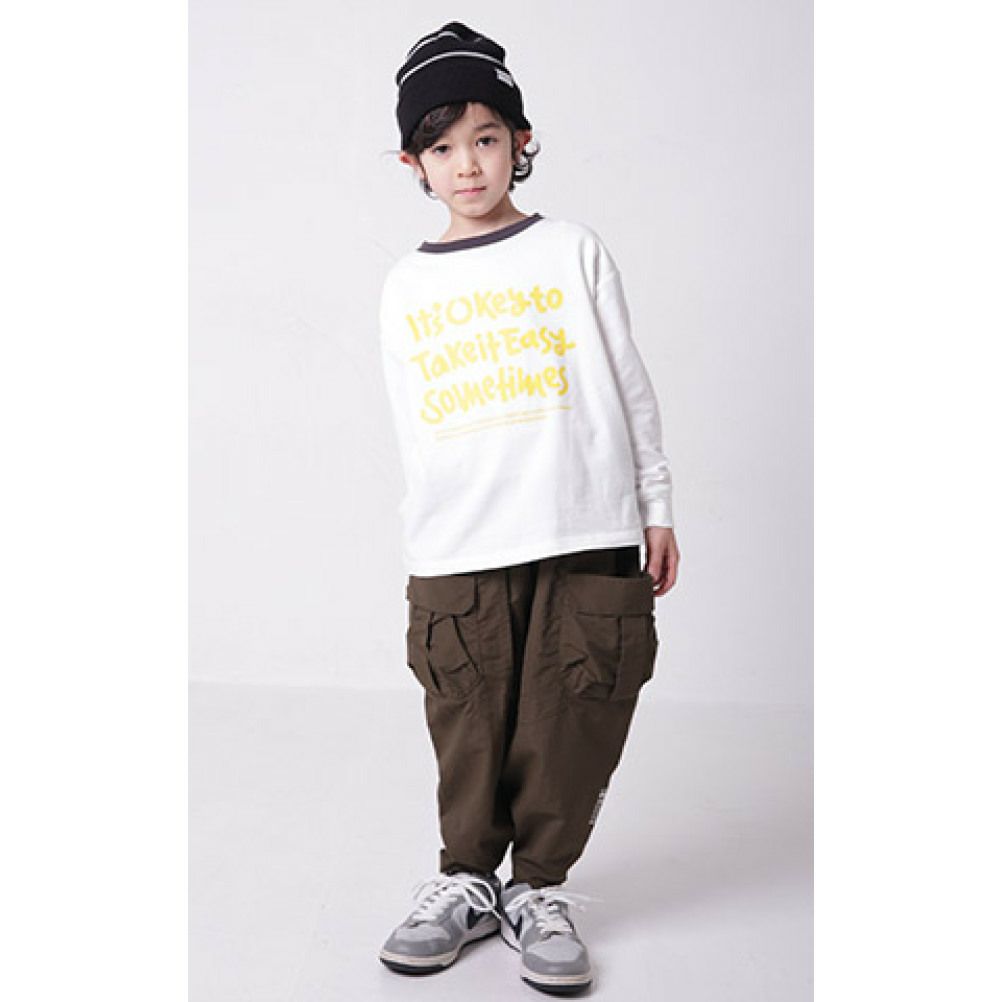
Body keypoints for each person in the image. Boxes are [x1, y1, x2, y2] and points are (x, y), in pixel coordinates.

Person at [376, 21, 681, 996]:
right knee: (468, 718)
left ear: (521, 140)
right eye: (441, 147)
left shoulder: (572, 251)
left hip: (585, 522)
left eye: (485, 138)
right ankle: (466, 879)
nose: (467, 164)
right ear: (414, 164)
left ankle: (539, 889)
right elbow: (415, 426)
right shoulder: (407, 284)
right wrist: (426, 538)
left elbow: (628, 385)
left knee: (575, 712)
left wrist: (655, 504)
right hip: (462, 539)